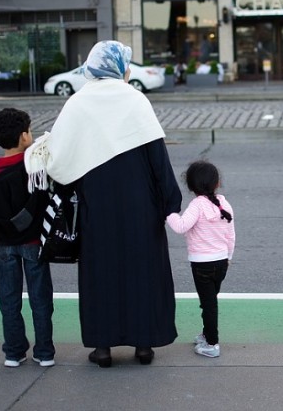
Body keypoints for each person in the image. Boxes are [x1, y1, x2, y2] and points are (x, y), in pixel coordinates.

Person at [25, 40, 182, 368]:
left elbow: (61, 160)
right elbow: (158, 158)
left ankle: (102, 348)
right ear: (119, 67)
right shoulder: (135, 100)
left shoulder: (78, 103)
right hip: (141, 206)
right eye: (126, 64)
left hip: (96, 206)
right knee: (144, 273)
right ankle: (144, 345)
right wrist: (170, 202)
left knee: (100, 275)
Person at [0, 108, 55, 368]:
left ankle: (13, 352)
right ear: (23, 137)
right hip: (33, 243)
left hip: (4, 245)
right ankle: (44, 353)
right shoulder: (33, 167)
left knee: (9, 299)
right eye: (29, 131)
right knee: (41, 299)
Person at [166, 161, 235, 358]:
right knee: (210, 302)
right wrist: (228, 257)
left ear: (191, 186)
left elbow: (180, 226)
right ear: (217, 183)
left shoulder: (197, 205)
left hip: (202, 264)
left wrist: (168, 212)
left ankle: (212, 344)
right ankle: (206, 334)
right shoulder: (224, 203)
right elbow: (231, 235)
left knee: (209, 304)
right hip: (222, 262)